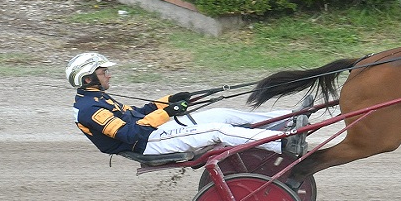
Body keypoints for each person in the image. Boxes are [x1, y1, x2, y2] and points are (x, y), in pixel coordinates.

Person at [66, 52, 309, 158]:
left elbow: (138, 113)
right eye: (103, 71)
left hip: (152, 134)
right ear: (88, 79)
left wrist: (169, 101)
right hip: (146, 145)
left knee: (221, 113)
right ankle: (282, 144)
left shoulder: (95, 98)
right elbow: (129, 134)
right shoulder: (91, 110)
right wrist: (167, 113)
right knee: (216, 130)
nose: (108, 75)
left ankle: (290, 117)